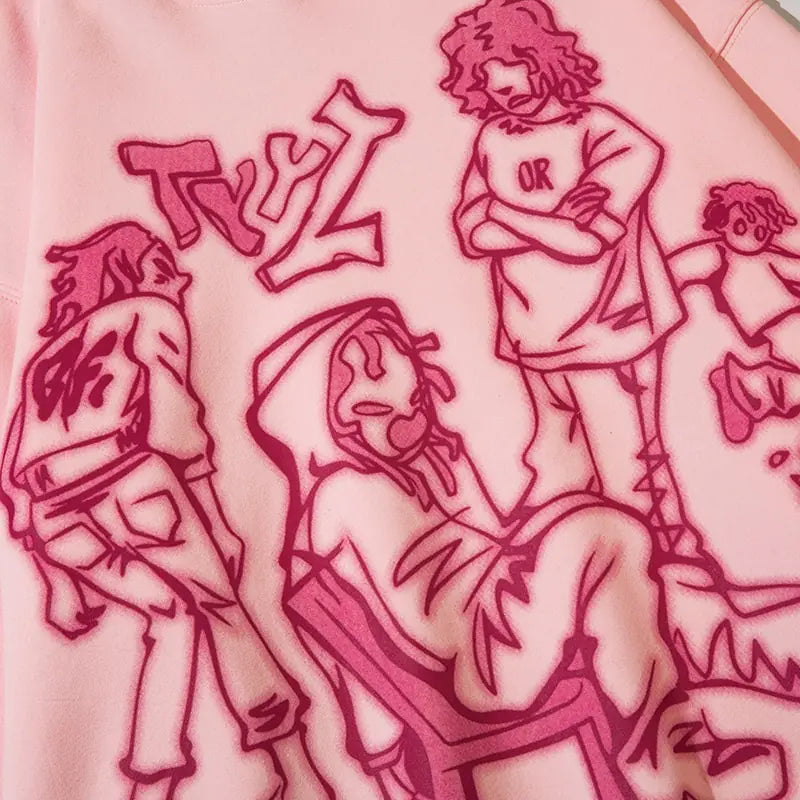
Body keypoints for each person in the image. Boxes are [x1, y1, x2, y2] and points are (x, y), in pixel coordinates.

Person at [249, 298, 792, 800]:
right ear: (331, 418)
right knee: (602, 535)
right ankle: (671, 748)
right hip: (480, 656)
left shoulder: (434, 463)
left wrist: (536, 520)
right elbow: (353, 626)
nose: (410, 416)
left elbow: (491, 546)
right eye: (375, 406)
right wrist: (384, 748)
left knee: (633, 561)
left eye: (412, 396)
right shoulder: (341, 493)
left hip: (499, 616)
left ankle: (695, 718)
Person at [0, 221, 332, 800]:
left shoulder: (46, 356)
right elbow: (174, 418)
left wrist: (58, 582)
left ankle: (150, 787)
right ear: (127, 272)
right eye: (160, 265)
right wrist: (217, 523)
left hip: (56, 516)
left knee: (171, 619)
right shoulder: (148, 313)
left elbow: (13, 473)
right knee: (227, 617)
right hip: (132, 486)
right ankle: (298, 771)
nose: (176, 278)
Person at [438, 0, 707, 563]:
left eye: (515, 69)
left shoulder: (612, 134)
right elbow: (470, 233)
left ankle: (678, 571)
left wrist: (503, 214)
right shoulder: (492, 139)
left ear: (544, 57)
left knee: (637, 473)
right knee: (559, 473)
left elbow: (587, 243)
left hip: (612, 330)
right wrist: (550, 222)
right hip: (530, 335)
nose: (504, 91)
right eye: (488, 83)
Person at [668, 181, 800, 444]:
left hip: (769, 333)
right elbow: (673, 269)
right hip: (747, 335)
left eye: (760, 231)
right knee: (765, 376)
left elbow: (794, 268)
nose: (751, 237)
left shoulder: (772, 258)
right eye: (740, 227)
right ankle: (736, 389)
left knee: (777, 387)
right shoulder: (716, 255)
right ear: (721, 223)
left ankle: (743, 391)